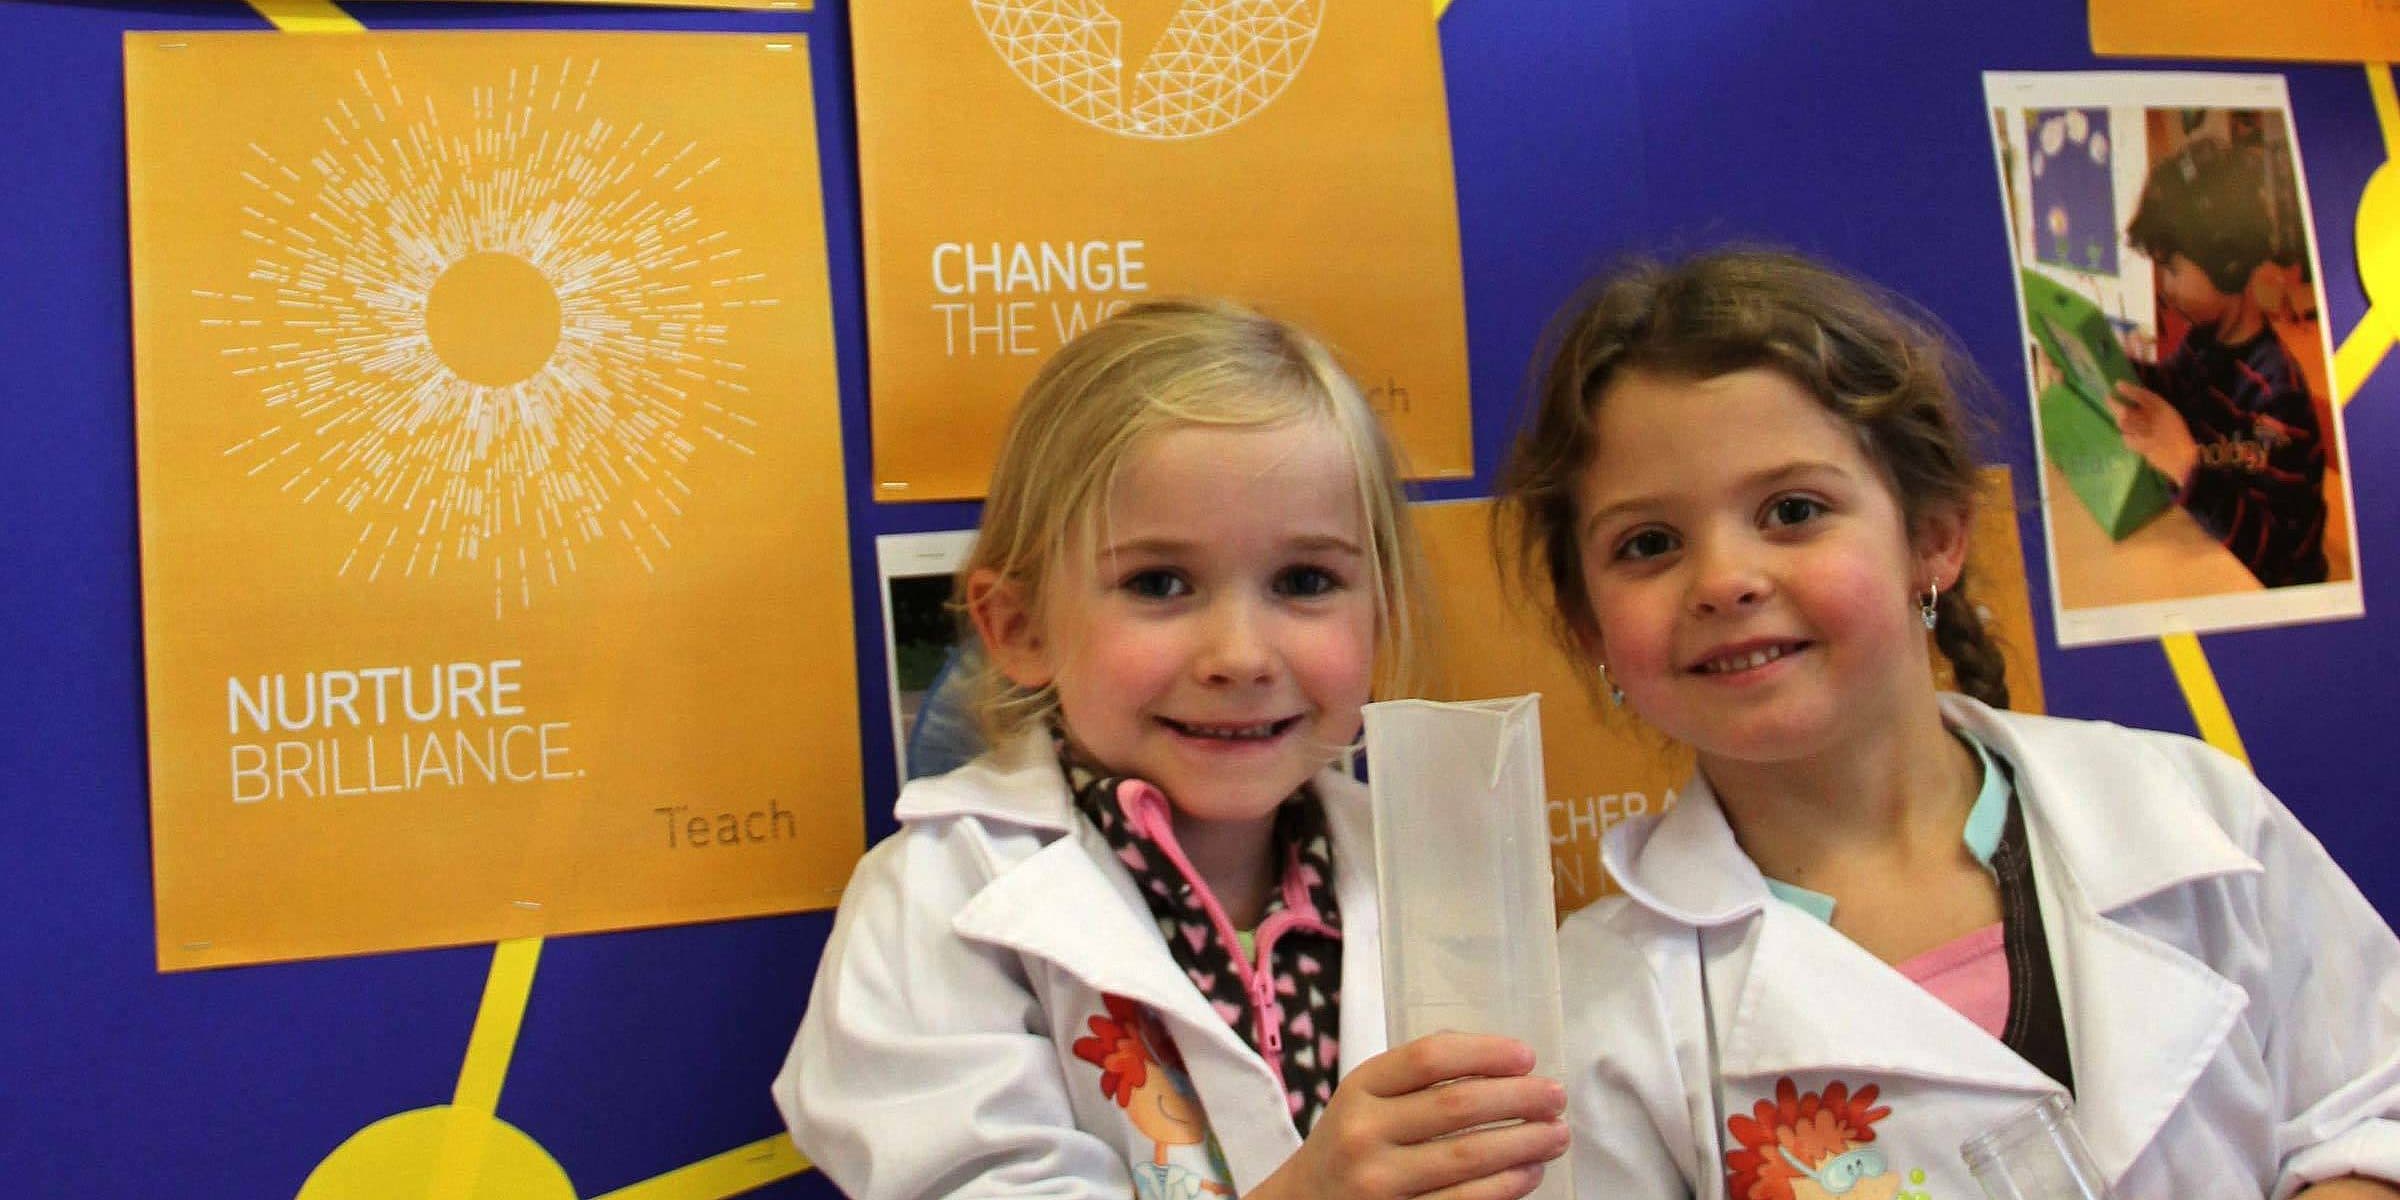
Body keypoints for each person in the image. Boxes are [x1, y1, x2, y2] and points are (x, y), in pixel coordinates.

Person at [1495, 249, 2400, 1198]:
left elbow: (2368, 1107)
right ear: (1589, 621)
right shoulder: (1596, 1020)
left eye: (1793, 510)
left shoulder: (2187, 810)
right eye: (1649, 544)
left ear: (1934, 536)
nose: (1725, 581)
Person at [778, 299, 1568, 1199]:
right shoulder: (938, 901)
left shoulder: (1438, 871)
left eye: (1306, 582)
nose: (1239, 656)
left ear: (1379, 614)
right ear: (1021, 627)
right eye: (1159, 584)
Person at [2110, 134, 2329, 587]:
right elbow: (2171, 388)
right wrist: (2113, 368)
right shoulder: (2202, 342)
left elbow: (2279, 559)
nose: (2164, 287)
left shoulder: (2275, 393)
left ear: (2227, 265)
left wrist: (2187, 465)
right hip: (2208, 547)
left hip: (2272, 591)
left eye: (2172, 270)